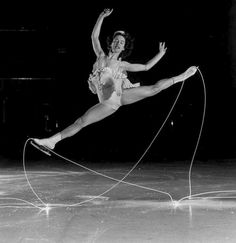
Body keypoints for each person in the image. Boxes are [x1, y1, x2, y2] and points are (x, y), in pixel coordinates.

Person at [32, 8, 197, 152]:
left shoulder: (122, 64)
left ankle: (182, 76)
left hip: (121, 93)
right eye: (117, 41)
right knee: (81, 121)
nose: (119, 43)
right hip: (109, 103)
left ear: (124, 48)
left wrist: (160, 54)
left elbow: (146, 67)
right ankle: (52, 141)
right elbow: (94, 37)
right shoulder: (100, 56)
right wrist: (102, 17)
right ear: (111, 43)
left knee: (154, 89)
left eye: (122, 42)